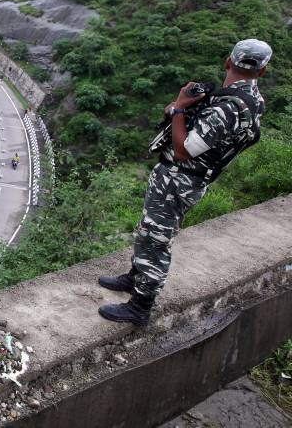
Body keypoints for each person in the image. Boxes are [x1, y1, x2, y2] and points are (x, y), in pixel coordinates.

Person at [98, 40, 270, 326]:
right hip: (180, 178)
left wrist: (179, 109)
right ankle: (135, 278)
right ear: (262, 72)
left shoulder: (229, 107)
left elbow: (183, 150)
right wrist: (186, 107)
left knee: (156, 240)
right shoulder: (247, 100)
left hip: (181, 179)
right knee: (148, 230)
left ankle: (141, 306)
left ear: (228, 61)